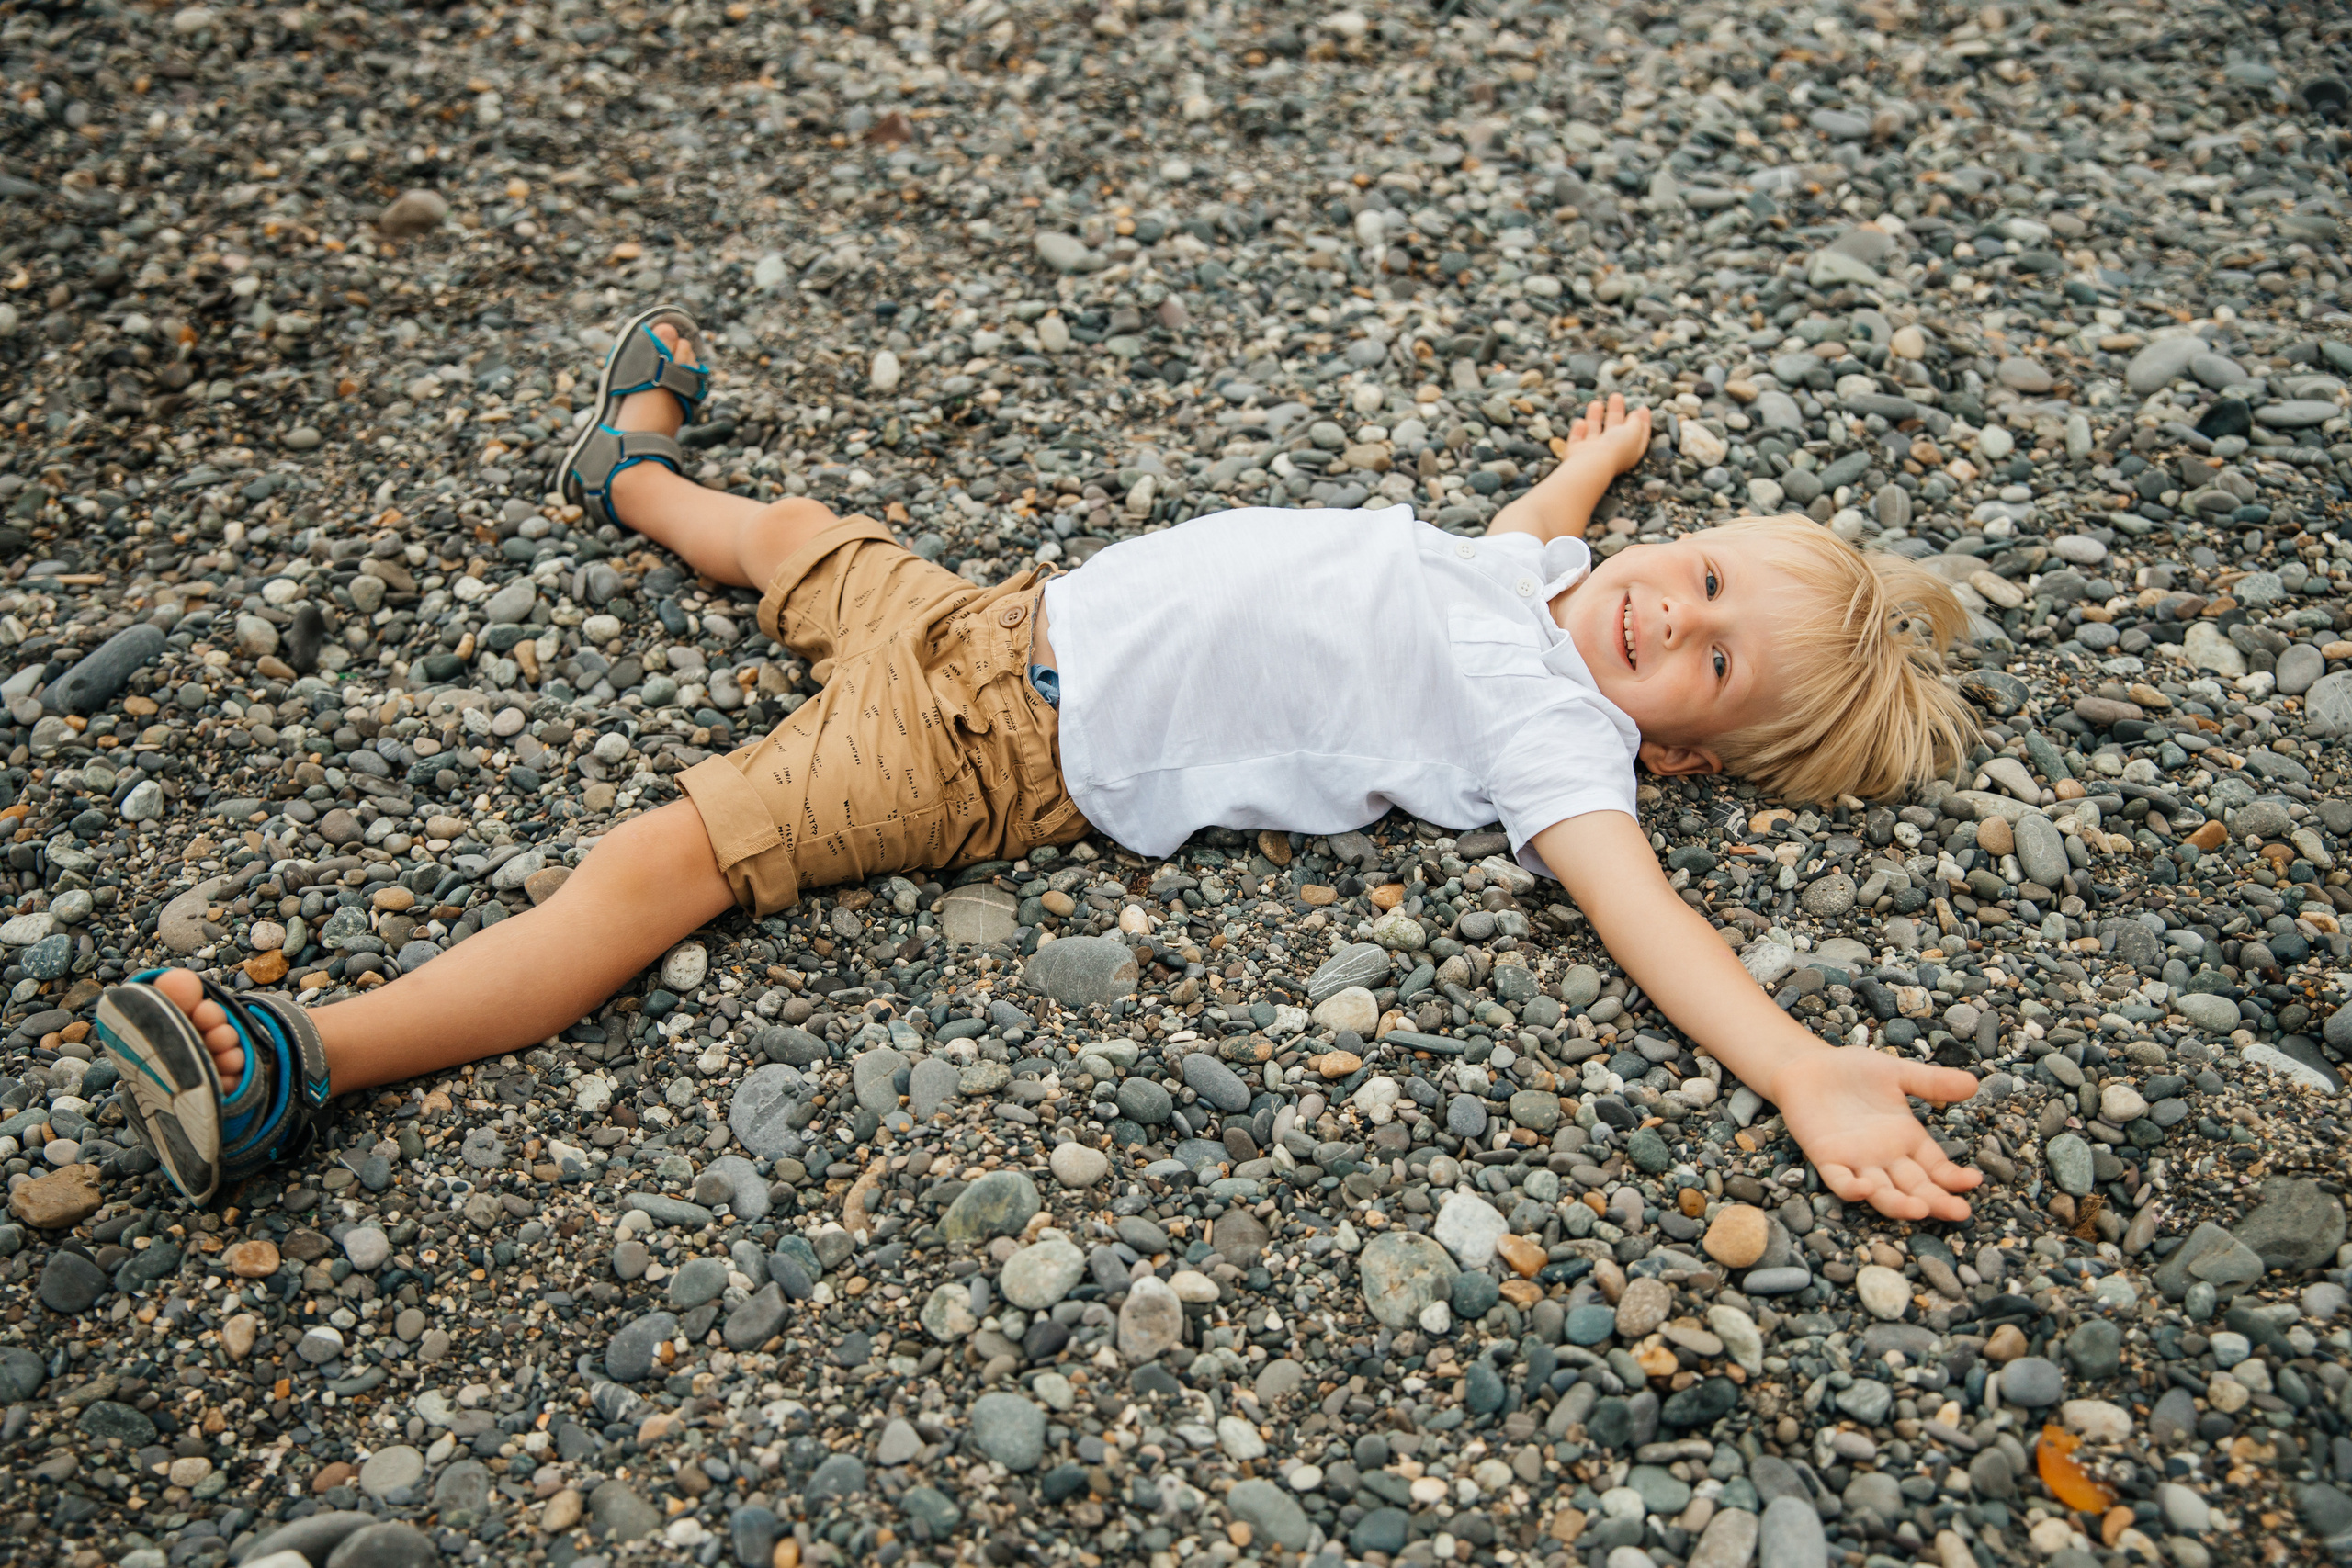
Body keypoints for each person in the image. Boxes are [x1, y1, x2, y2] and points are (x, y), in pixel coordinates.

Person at [97, 304, 1989, 1224]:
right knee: (798, 539)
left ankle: (303, 1059)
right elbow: (1524, 539)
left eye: (1716, 661)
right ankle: (630, 468)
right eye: (1701, 572)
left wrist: (1798, 1064)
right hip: (988, 617)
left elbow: (1646, 920)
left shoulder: (1554, 736)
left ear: (1684, 752)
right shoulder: (1548, 586)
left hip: (987, 745)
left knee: (660, 863)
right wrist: (1588, 468)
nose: (1672, 614)